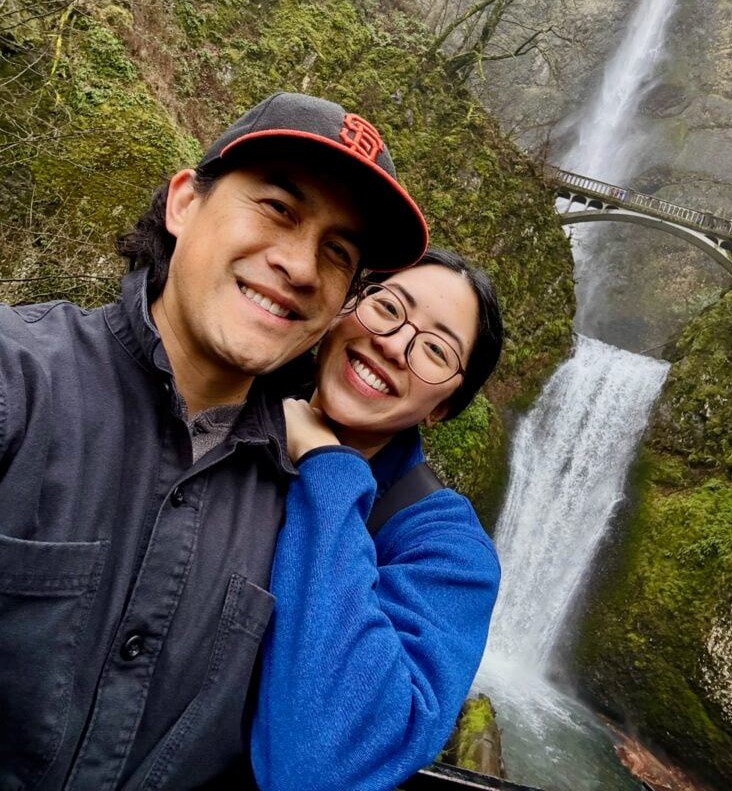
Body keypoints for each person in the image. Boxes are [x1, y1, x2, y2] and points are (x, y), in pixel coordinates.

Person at [0, 91, 428, 790]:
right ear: (183, 204)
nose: (299, 266)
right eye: (278, 209)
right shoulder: (21, 382)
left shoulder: (300, 513)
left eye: (337, 252)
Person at [251, 247, 503, 791]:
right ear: (347, 308)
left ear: (443, 409)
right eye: (388, 307)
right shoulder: (224, 405)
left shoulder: (449, 553)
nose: (391, 345)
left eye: (435, 350)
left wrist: (329, 468)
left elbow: (320, 768)